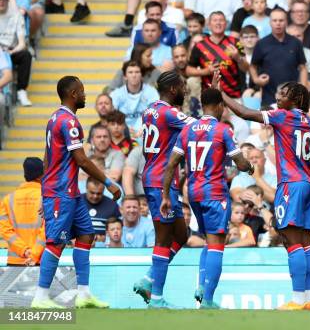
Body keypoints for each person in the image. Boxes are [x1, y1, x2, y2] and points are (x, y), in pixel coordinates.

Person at [218, 80, 310, 310]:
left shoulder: (283, 116)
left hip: (291, 184)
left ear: (296, 99)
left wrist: (222, 93)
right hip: (307, 183)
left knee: (290, 240)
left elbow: (246, 112)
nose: (279, 97)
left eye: (284, 93)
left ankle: (297, 301)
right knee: (306, 242)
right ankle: (308, 299)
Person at [31, 76, 123, 309]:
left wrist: (45, 190)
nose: (84, 95)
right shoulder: (69, 122)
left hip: (69, 193)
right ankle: (40, 297)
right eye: (81, 91)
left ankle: (83, 294)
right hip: (61, 192)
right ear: (73, 94)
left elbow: (47, 157)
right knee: (56, 242)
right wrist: (108, 182)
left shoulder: (54, 118)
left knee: (86, 234)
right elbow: (81, 159)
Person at [162, 87, 253, 309]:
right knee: (216, 245)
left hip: (194, 193)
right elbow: (240, 164)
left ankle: (202, 286)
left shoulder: (188, 130)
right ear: (221, 106)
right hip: (215, 193)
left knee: (208, 240)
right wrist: (249, 166)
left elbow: (172, 163)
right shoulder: (222, 130)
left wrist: (166, 194)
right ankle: (208, 299)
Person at [130, 71, 195, 307]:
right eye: (183, 86)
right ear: (173, 90)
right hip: (161, 181)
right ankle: (156, 299)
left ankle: (148, 278)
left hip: (154, 175)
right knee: (164, 239)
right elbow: (201, 128)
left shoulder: (150, 111)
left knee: (181, 235)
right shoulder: (170, 113)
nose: (185, 91)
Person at [250, 8, 308, 106]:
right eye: (275, 20)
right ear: (270, 22)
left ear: (286, 22)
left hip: (292, 99)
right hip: (269, 99)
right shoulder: (261, 44)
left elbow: (303, 68)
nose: (278, 23)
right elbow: (253, 66)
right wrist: (256, 80)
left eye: (281, 20)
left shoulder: (295, 43)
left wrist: (302, 88)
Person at [0, 157, 45, 266]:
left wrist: (24, 250)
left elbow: (5, 231)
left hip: (15, 260)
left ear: (25, 174)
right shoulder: (46, 199)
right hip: (40, 260)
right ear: (42, 175)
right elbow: (47, 230)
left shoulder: (7, 199)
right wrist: (34, 254)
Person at [0, 0, 32, 106]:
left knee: (26, 55)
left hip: (11, 51)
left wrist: (11, 52)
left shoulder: (16, 16)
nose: (1, 2)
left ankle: (21, 90)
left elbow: (22, 43)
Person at [109, 61, 160, 135]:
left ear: (141, 75)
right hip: (122, 134)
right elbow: (112, 118)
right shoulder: (116, 94)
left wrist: (146, 127)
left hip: (146, 133)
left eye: (137, 72)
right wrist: (124, 130)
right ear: (125, 76)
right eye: (130, 72)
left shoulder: (151, 92)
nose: (134, 75)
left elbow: (156, 114)